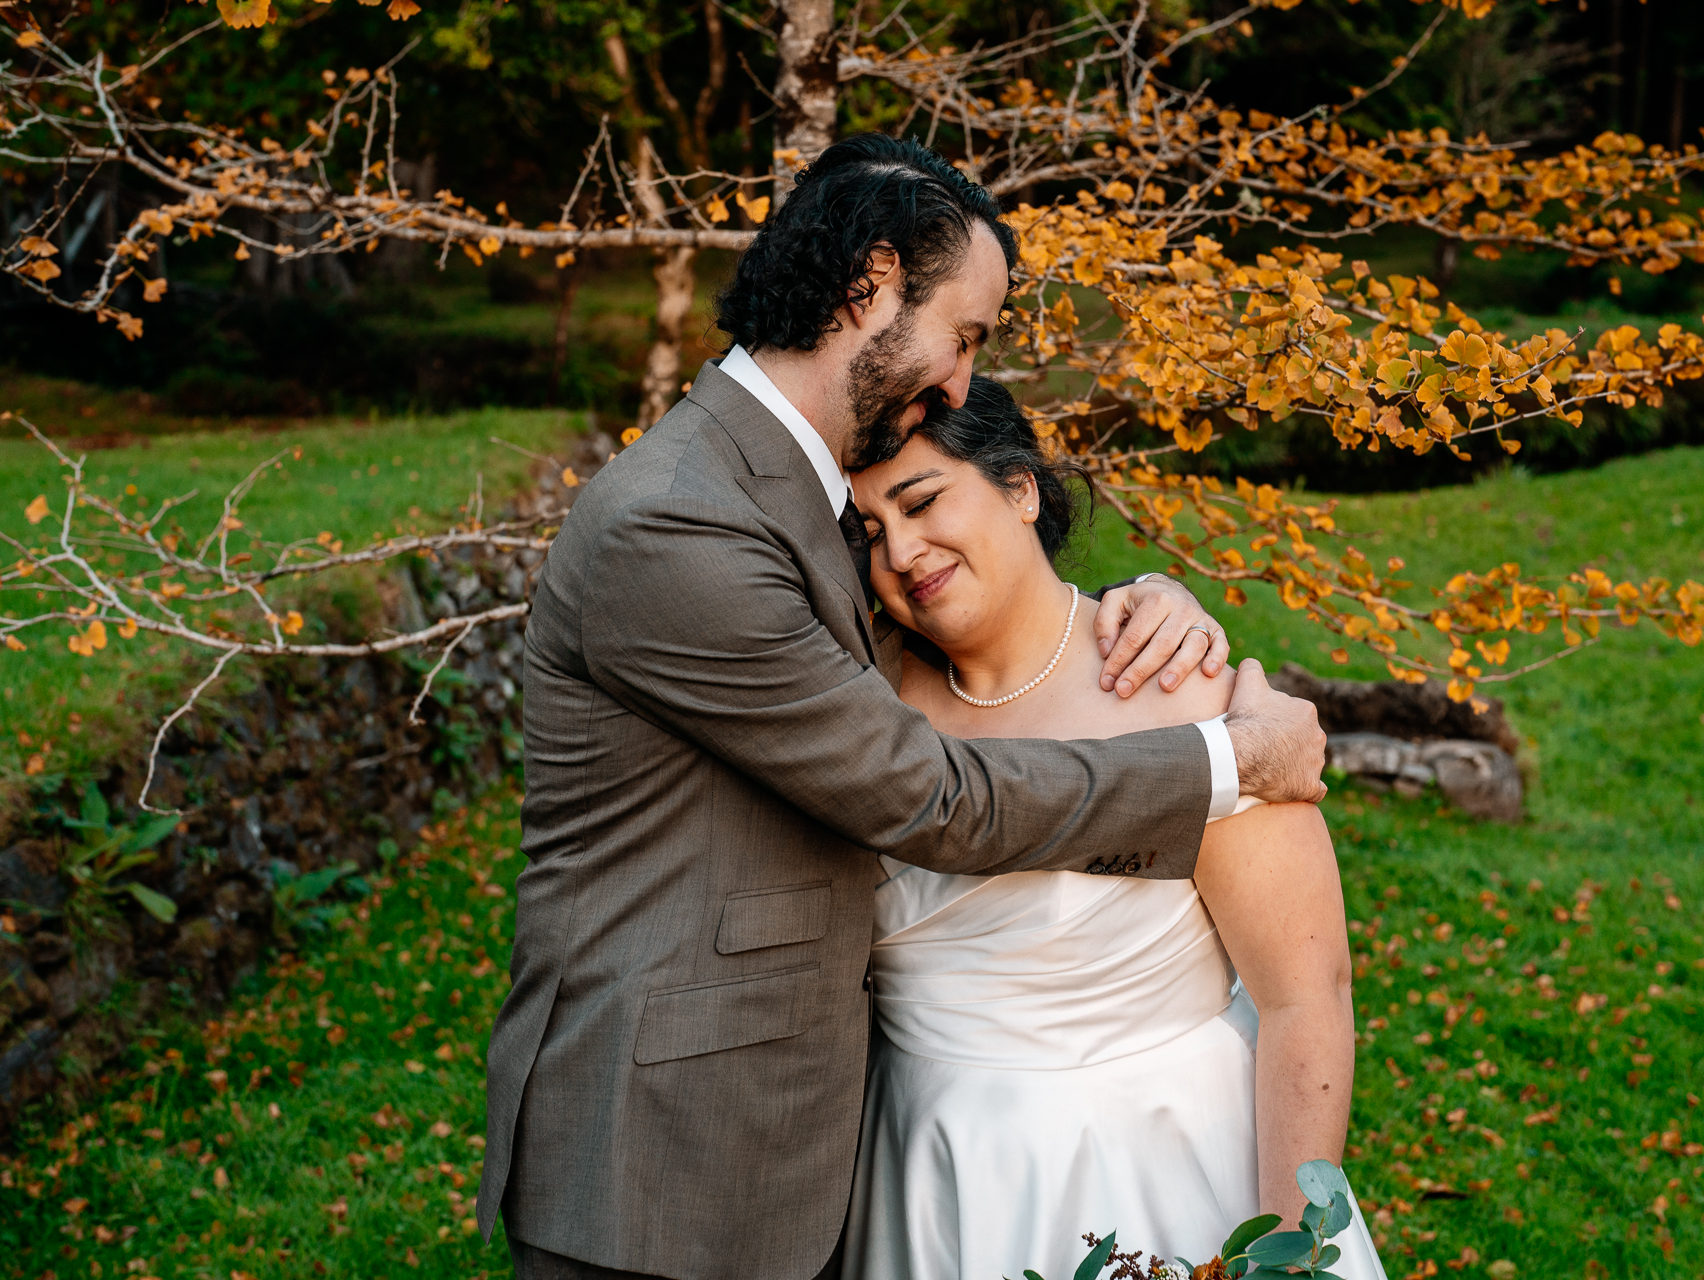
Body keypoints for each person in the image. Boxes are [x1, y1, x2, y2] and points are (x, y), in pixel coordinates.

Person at [476, 133, 1329, 1280]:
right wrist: (1228, 758)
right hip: (669, 1160)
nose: (965, 379)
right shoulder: (680, 521)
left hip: (839, 1147)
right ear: (871, 283)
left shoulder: (795, 495)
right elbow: (925, 792)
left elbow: (992, 613)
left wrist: (1144, 602)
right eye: (964, 334)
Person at [841, 377, 1386, 1280]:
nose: (901, 552)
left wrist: (1291, 1249)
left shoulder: (1191, 694)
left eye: (923, 501)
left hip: (1157, 1167)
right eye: (869, 534)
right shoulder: (860, 700)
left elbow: (1307, 999)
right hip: (922, 1179)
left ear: (1019, 489)